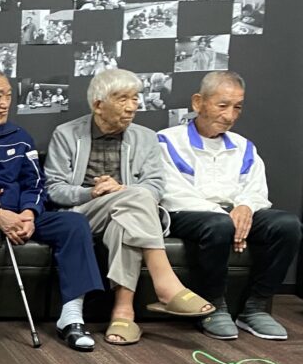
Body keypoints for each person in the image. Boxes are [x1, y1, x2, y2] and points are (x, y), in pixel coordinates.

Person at [0, 68, 105, 350]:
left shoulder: (20, 136)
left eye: (8, 96)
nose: (5, 104)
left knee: (74, 224)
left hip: (18, 213)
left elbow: (34, 183)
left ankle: (72, 316)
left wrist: (29, 213)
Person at [45, 69, 214, 346]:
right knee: (137, 198)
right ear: (98, 105)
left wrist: (120, 190)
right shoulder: (66, 134)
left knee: (126, 221)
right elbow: (54, 188)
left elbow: (156, 187)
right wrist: (91, 192)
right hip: (82, 214)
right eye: (122, 99)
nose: (132, 106)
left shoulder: (146, 137)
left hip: (128, 214)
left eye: (135, 98)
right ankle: (166, 284)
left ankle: (123, 313)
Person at [159, 72, 302, 340]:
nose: (230, 115)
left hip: (234, 214)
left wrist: (245, 207)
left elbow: (256, 189)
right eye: (222, 105)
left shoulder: (243, 146)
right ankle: (214, 306)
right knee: (219, 225)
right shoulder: (167, 141)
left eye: (237, 107)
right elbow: (170, 192)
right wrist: (225, 215)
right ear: (198, 102)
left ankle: (256, 307)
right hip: (188, 214)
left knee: (287, 225)